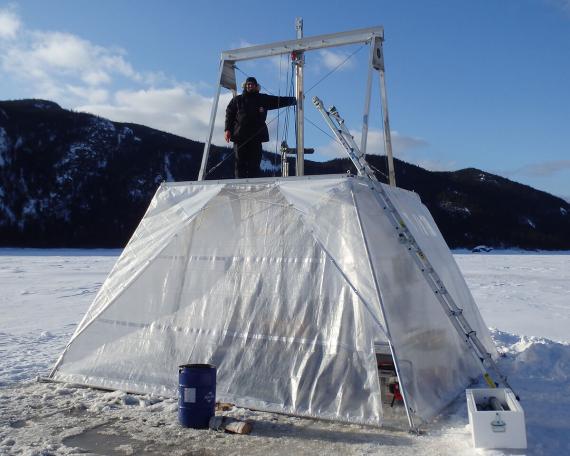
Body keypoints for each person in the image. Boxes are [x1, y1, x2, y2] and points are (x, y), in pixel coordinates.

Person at [224, 77, 296, 178]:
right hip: (240, 136)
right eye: (248, 84)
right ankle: (239, 184)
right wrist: (227, 129)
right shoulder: (237, 100)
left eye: (252, 84)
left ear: (256, 86)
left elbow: (277, 100)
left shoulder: (263, 99)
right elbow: (229, 114)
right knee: (239, 163)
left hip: (256, 137)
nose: (250, 86)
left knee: (255, 163)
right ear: (245, 86)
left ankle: (254, 184)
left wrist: (294, 100)